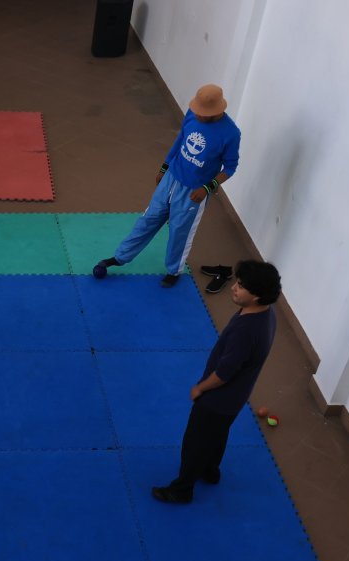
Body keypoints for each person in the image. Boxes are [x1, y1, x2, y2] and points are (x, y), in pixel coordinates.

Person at [151, 260, 281, 504]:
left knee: (195, 442)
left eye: (241, 286)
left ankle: (182, 489)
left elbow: (223, 374)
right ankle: (210, 470)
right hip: (236, 398)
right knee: (218, 435)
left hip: (217, 399)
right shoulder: (266, 313)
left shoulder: (246, 331)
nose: (233, 287)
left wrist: (200, 388)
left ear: (257, 296)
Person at [93, 84, 241, 287]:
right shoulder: (192, 113)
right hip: (171, 178)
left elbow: (231, 167)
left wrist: (207, 188)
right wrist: (164, 168)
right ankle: (120, 257)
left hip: (193, 192)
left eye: (203, 113)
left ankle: (174, 270)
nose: (198, 115)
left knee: (179, 231)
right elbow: (180, 140)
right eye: (197, 111)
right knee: (148, 219)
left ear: (216, 111)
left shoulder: (231, 133)